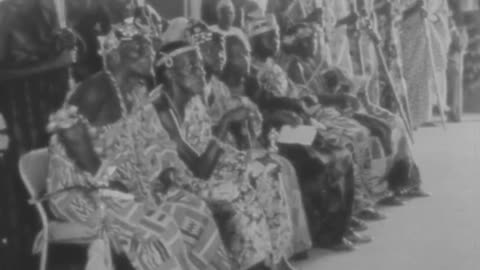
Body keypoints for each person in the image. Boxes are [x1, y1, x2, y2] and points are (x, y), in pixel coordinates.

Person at [46, 22, 232, 270]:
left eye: (148, 44)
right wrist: (106, 183)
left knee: (193, 208)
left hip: (130, 185)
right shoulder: (96, 88)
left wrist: (165, 170)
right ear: (113, 56)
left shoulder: (136, 93)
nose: (148, 51)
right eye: (136, 46)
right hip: (82, 190)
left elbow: (156, 140)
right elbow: (67, 128)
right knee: (158, 229)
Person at [154, 40, 297, 270]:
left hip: (210, 165)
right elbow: (197, 171)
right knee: (239, 194)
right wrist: (227, 121)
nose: (201, 71)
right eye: (192, 66)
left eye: (200, 64)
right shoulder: (162, 110)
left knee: (268, 169)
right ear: (170, 73)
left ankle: (277, 259)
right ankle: (255, 264)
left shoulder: (193, 97)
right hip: (181, 180)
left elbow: (203, 140)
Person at [399, 0, 451, 128]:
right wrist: (414, 10)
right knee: (409, 76)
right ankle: (407, 116)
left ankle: (423, 117)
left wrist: (430, 16)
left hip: (426, 35)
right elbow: (396, 10)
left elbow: (442, 14)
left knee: (425, 77)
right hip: (406, 37)